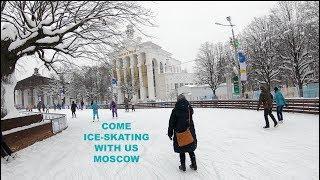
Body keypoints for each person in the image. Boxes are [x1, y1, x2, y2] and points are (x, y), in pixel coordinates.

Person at [168, 94, 197, 172]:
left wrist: (170, 133)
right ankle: (194, 164)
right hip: (189, 131)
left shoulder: (175, 110)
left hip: (179, 132)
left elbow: (171, 123)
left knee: (181, 149)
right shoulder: (189, 109)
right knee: (190, 148)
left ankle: (183, 166)